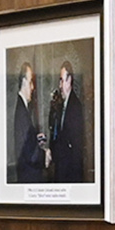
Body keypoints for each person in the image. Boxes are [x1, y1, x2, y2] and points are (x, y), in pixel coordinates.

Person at [46, 59, 90, 187]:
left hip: (70, 175)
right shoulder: (62, 105)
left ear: (69, 80)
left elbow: (76, 147)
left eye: (62, 80)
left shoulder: (75, 107)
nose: (60, 85)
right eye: (59, 81)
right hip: (61, 170)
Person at [7, 60, 47, 186]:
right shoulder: (22, 113)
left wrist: (36, 139)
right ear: (24, 82)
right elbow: (31, 154)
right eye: (30, 82)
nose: (32, 87)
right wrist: (45, 156)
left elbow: (26, 142)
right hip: (29, 178)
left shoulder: (23, 108)